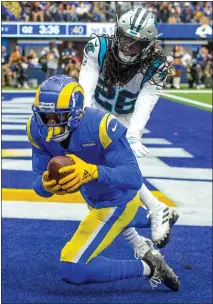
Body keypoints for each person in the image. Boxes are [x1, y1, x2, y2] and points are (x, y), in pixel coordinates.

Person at [26, 75, 179, 291]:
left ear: (77, 113)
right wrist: (45, 184)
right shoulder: (36, 129)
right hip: (94, 198)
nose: (52, 124)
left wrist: (92, 171)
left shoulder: (100, 125)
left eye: (58, 116)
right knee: (120, 221)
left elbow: (133, 177)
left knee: (72, 268)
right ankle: (162, 215)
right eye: (45, 116)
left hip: (117, 200)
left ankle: (150, 267)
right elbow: (37, 182)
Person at [79, 8, 179, 248]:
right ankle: (152, 219)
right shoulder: (98, 47)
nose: (127, 47)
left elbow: (146, 102)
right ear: (117, 32)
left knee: (105, 178)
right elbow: (86, 86)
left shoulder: (157, 66)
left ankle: (145, 232)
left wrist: (133, 135)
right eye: (125, 39)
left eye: (136, 44)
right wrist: (84, 116)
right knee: (96, 184)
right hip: (97, 112)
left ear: (148, 45)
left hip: (124, 119)